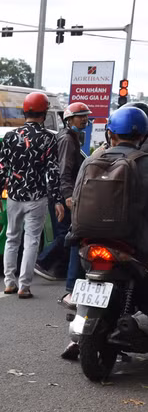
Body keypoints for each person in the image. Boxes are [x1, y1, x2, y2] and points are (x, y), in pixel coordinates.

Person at [60, 105, 148, 360]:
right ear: (142, 135)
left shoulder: (92, 159)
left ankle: (76, 333)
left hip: (89, 242)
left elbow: (75, 199)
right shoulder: (144, 163)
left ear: (110, 133)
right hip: (134, 244)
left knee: (83, 272)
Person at [0, 92, 66, 299]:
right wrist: (58, 200)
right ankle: (24, 286)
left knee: (11, 238)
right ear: (44, 113)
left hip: (14, 196)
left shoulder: (10, 137)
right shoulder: (48, 138)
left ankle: (9, 282)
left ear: (24, 112)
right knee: (32, 240)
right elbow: (52, 172)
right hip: (37, 197)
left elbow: (2, 168)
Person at [35, 103, 91, 281]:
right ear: (69, 120)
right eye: (80, 116)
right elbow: (63, 170)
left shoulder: (73, 137)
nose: (84, 119)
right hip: (61, 194)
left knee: (68, 232)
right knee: (65, 233)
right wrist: (67, 195)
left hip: (65, 193)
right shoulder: (67, 139)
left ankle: (58, 269)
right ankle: (42, 262)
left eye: (85, 115)